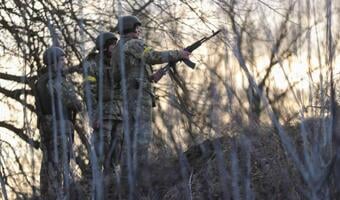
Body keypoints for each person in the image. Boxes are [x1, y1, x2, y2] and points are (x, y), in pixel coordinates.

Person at [111, 15, 190, 197]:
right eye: (137, 28)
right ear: (131, 28)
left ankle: (126, 187)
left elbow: (122, 76)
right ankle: (140, 186)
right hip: (138, 98)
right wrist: (179, 54)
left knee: (129, 143)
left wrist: (149, 78)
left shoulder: (118, 48)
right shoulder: (133, 43)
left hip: (128, 97)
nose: (140, 31)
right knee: (141, 141)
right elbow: (153, 56)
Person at [35, 46, 82, 199]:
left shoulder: (40, 81)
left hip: (45, 128)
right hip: (59, 127)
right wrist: (78, 103)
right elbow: (74, 103)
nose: (64, 62)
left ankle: (46, 196)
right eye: (61, 59)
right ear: (53, 62)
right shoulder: (57, 80)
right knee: (60, 165)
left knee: (47, 164)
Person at [82, 32, 121, 197]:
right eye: (113, 45)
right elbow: (89, 93)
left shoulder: (118, 64)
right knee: (100, 153)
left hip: (119, 115)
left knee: (115, 154)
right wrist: (94, 117)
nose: (116, 48)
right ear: (104, 48)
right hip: (102, 115)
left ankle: (110, 190)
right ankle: (91, 190)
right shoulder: (92, 65)